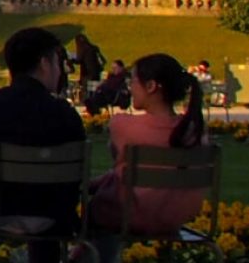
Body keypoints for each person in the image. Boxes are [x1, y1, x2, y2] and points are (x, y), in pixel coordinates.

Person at [0, 28, 87, 263]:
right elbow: (74, 175)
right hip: (51, 216)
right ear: (45, 63)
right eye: (58, 62)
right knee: (47, 199)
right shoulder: (65, 115)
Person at [85, 54, 213, 262]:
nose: (130, 87)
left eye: (133, 81)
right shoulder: (195, 130)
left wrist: (89, 186)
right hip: (173, 219)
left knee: (94, 213)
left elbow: (118, 170)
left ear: (151, 86)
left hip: (127, 215)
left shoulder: (123, 125)